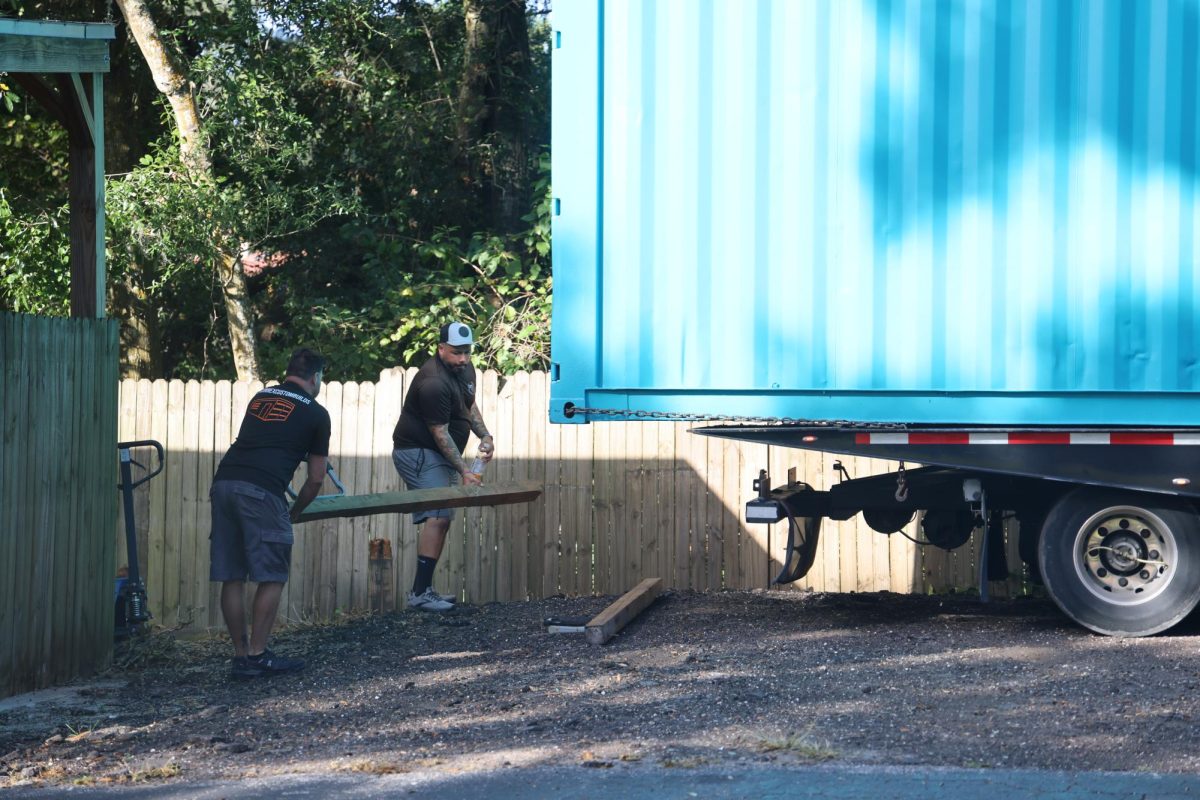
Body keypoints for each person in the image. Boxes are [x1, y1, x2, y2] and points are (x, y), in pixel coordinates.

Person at [209, 348, 331, 678]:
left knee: (232, 574)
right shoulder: (317, 414)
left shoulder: (260, 398)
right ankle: (257, 655)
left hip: (224, 482)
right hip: (261, 491)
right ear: (316, 377)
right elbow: (317, 478)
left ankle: (240, 657)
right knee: (272, 574)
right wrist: (295, 511)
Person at [392, 321, 496, 611]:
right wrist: (464, 470)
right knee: (438, 515)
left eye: (467, 352)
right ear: (440, 349)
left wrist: (484, 435)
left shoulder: (463, 369)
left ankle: (422, 591)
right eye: (456, 352)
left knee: (443, 516)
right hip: (417, 452)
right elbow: (439, 433)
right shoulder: (433, 382)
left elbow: (468, 405)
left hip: (435, 453)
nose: (463, 359)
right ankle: (419, 594)